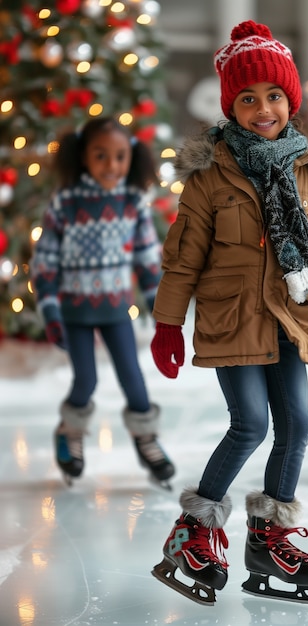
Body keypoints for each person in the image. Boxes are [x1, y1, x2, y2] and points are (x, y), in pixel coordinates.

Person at [149, 20, 308, 605]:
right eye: (247, 97)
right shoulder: (210, 175)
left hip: (290, 319)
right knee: (250, 426)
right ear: (230, 106)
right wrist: (168, 323)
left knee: (297, 423)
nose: (262, 108)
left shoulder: (307, 172)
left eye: (273, 96)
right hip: (231, 318)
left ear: (290, 101)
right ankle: (193, 532)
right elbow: (183, 258)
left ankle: (270, 538)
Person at [30, 117, 175, 487]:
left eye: (120, 156)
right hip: (75, 312)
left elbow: (146, 258)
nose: (112, 165)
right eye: (101, 156)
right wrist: (50, 309)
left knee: (134, 378)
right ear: (83, 157)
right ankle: (70, 431)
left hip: (115, 310)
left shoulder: (133, 201)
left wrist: (162, 311)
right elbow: (44, 261)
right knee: (86, 380)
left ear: (132, 157)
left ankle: (147, 438)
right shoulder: (66, 202)